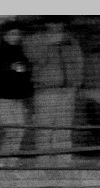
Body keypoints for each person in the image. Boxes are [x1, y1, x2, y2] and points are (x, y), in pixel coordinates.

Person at [26, 18, 83, 166]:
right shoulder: (35, 39)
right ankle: (43, 163)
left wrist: (76, 84)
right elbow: (34, 58)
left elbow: (78, 62)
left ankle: (63, 163)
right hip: (46, 90)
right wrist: (49, 43)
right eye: (53, 21)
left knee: (64, 128)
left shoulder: (71, 41)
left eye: (59, 22)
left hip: (68, 90)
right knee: (44, 128)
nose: (56, 25)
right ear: (46, 23)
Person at [0, 21, 33, 168]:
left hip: (18, 97)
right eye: (12, 34)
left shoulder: (21, 53)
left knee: (20, 129)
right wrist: (9, 68)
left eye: (18, 34)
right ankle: (2, 161)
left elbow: (26, 75)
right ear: (4, 35)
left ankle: (11, 161)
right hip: (2, 96)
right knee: (12, 130)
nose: (15, 37)